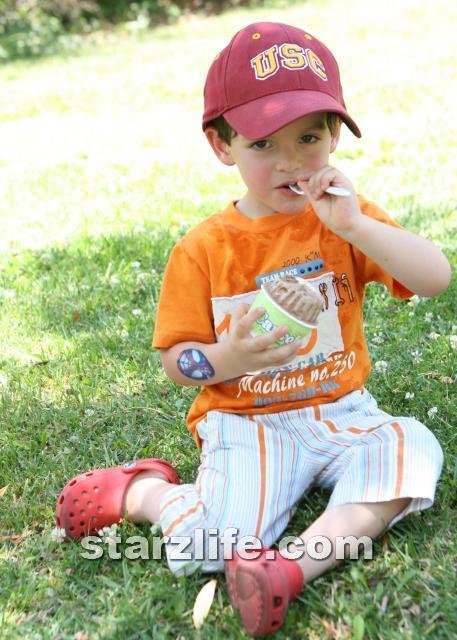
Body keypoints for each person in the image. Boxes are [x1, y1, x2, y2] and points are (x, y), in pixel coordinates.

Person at [56, 22, 451, 637]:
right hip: (248, 423)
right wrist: (229, 356)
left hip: (343, 411)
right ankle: (145, 493)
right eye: (263, 143)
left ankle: (290, 568)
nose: (291, 161)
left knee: (413, 448)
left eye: (309, 137)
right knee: (213, 545)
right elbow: (178, 361)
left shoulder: (345, 220)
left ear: (335, 136)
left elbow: (434, 278)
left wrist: (356, 227)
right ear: (222, 145)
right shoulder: (204, 248)